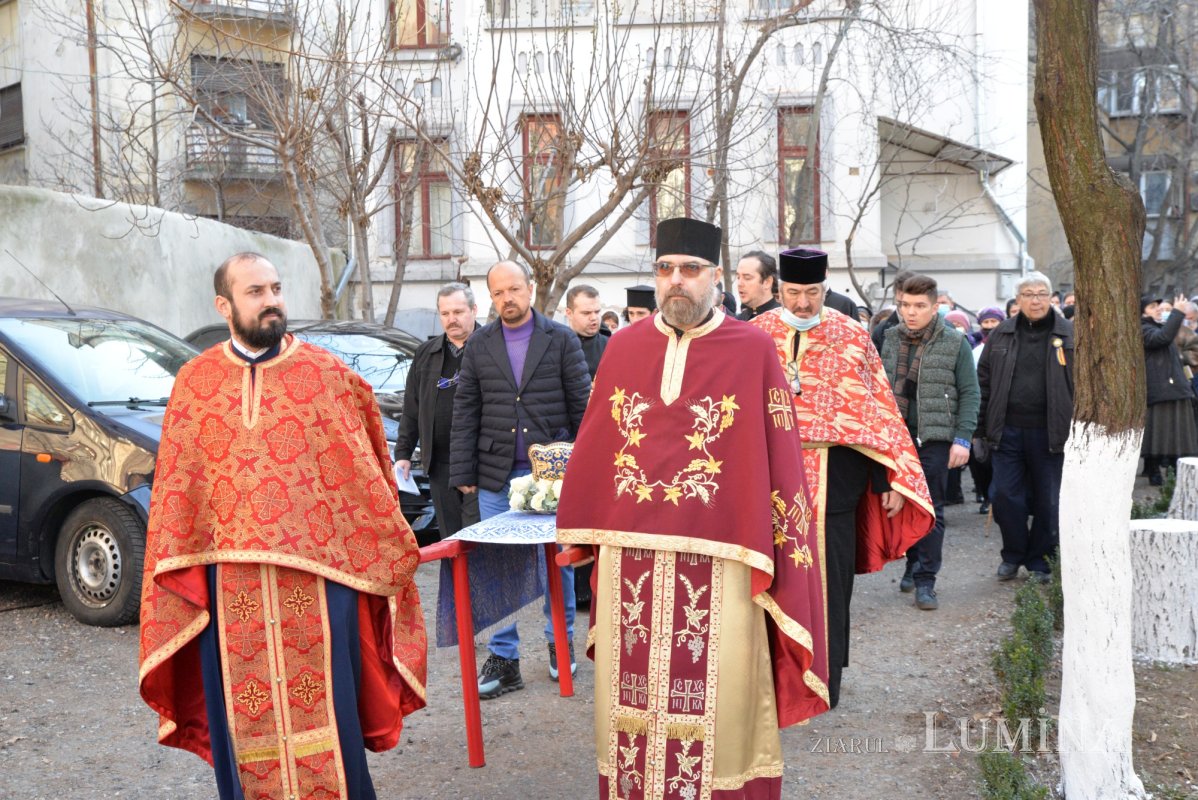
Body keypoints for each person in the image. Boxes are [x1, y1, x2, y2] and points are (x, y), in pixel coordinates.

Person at [557, 217, 829, 798]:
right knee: (630, 694)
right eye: (664, 270)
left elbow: (778, 455)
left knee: (724, 692)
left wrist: (784, 546)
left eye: (689, 270)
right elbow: (598, 442)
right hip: (632, 553)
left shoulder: (753, 348)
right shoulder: (623, 347)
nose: (675, 281)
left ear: (716, 278)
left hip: (724, 556)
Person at [138, 253, 427, 799]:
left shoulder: (327, 377)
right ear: (224, 305)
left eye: (275, 288)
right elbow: (179, 494)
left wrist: (378, 545)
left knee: (330, 719)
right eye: (255, 291)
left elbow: (368, 473)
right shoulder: (195, 385)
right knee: (239, 721)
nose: (271, 300)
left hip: (319, 583)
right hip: (231, 590)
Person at [751, 248, 933, 708]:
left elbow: (878, 413)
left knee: (830, 583)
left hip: (837, 478)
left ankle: (825, 679)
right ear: (778, 289)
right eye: (793, 293)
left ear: (825, 286)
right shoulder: (754, 336)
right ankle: (772, 677)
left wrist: (888, 479)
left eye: (812, 293)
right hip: (769, 481)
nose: (802, 305)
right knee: (770, 577)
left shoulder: (852, 334)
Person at [450, 260, 591, 698]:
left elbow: (583, 407)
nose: (507, 298)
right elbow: (466, 408)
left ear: (530, 289)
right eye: (498, 293)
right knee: (496, 567)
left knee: (556, 563)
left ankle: (559, 644)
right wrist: (462, 471)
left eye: (514, 289)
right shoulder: (479, 345)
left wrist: (584, 470)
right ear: (490, 297)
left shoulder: (562, 338)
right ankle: (504, 657)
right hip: (494, 474)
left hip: (550, 475)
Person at [880, 275, 980, 611]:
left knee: (931, 509)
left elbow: (970, 392)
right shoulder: (888, 338)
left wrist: (963, 439)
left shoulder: (955, 342)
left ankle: (926, 580)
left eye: (919, 306)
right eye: (905, 305)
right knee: (901, 505)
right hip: (896, 437)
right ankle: (911, 561)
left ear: (935, 306)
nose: (911, 312)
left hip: (935, 438)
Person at [977, 271, 1074, 583]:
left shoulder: (1069, 334)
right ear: (1017, 300)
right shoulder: (1001, 335)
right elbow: (984, 384)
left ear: (1050, 298)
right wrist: (979, 429)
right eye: (1029, 294)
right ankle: (1013, 554)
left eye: (1041, 293)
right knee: (1004, 495)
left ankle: (1039, 560)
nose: (1035, 300)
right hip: (1007, 431)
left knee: (1048, 500)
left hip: (1052, 433)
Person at [394, 282, 481, 539]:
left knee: (479, 544)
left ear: (474, 310)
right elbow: (412, 408)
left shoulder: (491, 349)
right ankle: (453, 582)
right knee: (450, 542)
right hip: (440, 466)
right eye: (445, 314)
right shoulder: (425, 354)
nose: (451, 319)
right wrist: (403, 454)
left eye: (458, 312)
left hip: (482, 466)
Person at [1140, 293, 1198, 486]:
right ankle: (1154, 471)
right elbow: (1162, 339)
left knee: (1177, 436)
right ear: (1142, 313)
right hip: (1160, 391)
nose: (1157, 308)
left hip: (1176, 389)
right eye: (1151, 307)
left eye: (1158, 305)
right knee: (1157, 435)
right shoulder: (1143, 329)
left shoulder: (1158, 327)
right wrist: (1178, 313)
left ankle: (1174, 474)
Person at [970, 306, 1007, 515]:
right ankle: (985, 495)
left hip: (1004, 411)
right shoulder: (975, 351)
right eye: (987, 323)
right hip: (983, 408)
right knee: (980, 459)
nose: (991, 327)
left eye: (995, 322)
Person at [564, 284, 609, 380]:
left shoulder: (611, 346)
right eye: (586, 313)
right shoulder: (556, 344)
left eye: (597, 312)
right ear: (569, 313)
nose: (594, 318)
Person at [735, 249, 781, 320]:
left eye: (747, 278)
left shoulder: (784, 321)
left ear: (767, 282)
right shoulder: (736, 323)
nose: (739, 284)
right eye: (738, 277)